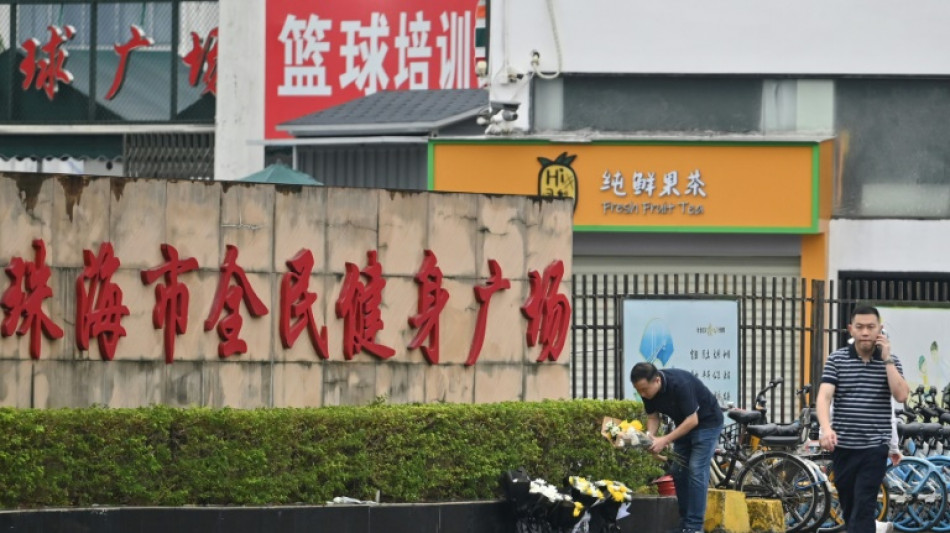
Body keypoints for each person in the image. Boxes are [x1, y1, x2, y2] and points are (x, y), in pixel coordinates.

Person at [816, 305, 909, 533]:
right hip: (844, 447)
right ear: (851, 329)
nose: (865, 332)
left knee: (864, 505)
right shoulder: (837, 359)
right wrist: (826, 428)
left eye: (870, 327)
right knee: (849, 506)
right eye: (860, 327)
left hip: (874, 448)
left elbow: (902, 395)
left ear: (880, 329)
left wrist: (887, 359)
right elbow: (824, 396)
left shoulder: (891, 362)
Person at [631, 362, 724, 533]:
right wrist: (650, 436)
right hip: (684, 426)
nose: (642, 394)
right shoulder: (646, 391)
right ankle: (685, 524)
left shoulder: (680, 384)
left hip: (707, 423)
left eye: (644, 389)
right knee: (679, 471)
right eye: (639, 391)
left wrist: (664, 440)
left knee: (696, 469)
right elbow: (653, 416)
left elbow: (693, 420)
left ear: (657, 380)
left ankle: (695, 527)